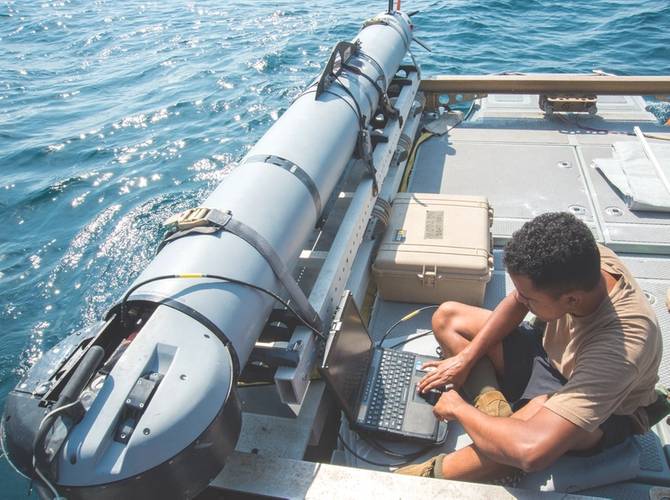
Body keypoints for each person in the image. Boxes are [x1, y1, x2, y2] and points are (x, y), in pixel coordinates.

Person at [395, 211, 663, 482]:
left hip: (602, 407)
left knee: (521, 443)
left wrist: (458, 409)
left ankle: (417, 479)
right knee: (448, 317)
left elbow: (530, 453)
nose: (520, 299)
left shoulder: (622, 348)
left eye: (530, 298)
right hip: (550, 355)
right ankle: (494, 411)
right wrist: (465, 358)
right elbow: (517, 300)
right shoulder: (584, 257)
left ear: (571, 300)